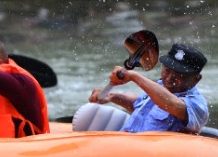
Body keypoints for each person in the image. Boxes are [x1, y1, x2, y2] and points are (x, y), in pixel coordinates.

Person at [72, 42, 208, 134]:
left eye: (179, 75)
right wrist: (112, 97)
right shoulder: (159, 87)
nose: (170, 78)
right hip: (124, 148)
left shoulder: (197, 105)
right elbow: (139, 104)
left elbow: (172, 105)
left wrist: (134, 76)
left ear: (196, 79)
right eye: (167, 70)